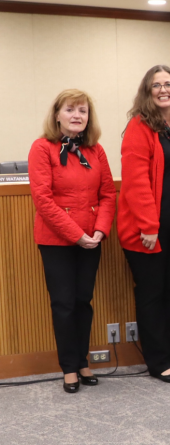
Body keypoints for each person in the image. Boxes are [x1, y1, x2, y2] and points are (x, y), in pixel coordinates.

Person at [28, 89, 116, 393]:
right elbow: (43, 199)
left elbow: (107, 195)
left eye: (82, 110)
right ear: (57, 114)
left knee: (83, 302)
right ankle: (68, 368)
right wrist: (76, 235)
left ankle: (82, 361)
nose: (77, 116)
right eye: (70, 110)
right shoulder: (42, 148)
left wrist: (100, 231)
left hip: (92, 239)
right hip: (57, 241)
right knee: (64, 304)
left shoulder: (96, 150)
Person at [118, 65, 170, 384]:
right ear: (147, 92)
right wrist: (148, 226)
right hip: (147, 230)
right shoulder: (140, 126)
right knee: (152, 293)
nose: (163, 89)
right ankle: (157, 360)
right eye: (156, 85)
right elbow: (136, 181)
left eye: (169, 84)